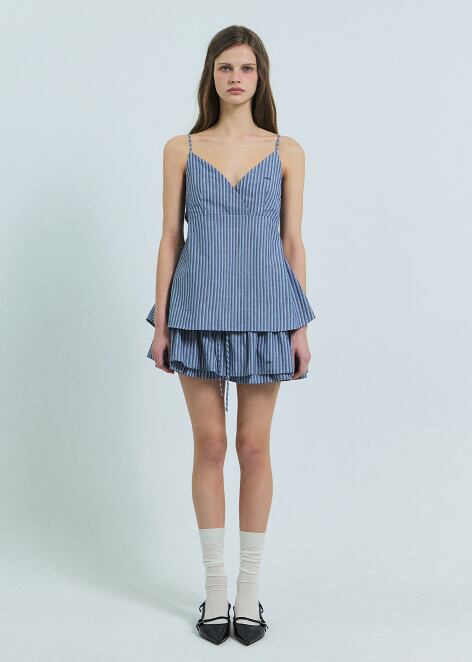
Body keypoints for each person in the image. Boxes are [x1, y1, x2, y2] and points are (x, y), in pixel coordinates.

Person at [145, 25, 316, 646]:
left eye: (245, 67)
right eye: (225, 67)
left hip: (268, 314)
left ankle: (249, 590)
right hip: (195, 313)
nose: (235, 77)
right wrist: (163, 322)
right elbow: (170, 238)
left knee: (253, 448)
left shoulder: (287, 151)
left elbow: (293, 242)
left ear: (259, 76)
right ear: (211, 76)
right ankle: (214, 588)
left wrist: (300, 325)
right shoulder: (182, 148)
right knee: (211, 446)